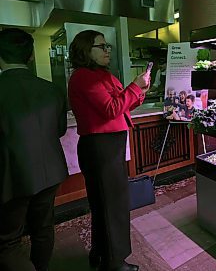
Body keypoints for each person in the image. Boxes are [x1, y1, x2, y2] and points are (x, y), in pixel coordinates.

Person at [68, 30, 150, 271]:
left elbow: (124, 103)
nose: (107, 51)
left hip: (108, 146)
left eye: (108, 47)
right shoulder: (84, 77)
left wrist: (140, 89)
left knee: (105, 203)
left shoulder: (102, 75)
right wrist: (134, 86)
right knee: (112, 204)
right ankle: (114, 263)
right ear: (85, 50)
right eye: (101, 47)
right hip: (100, 147)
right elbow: (111, 108)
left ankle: (100, 253)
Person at [0, 28, 68, 271]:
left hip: (11, 177)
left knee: (8, 242)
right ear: (30, 57)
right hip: (50, 172)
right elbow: (59, 130)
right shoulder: (52, 90)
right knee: (43, 229)